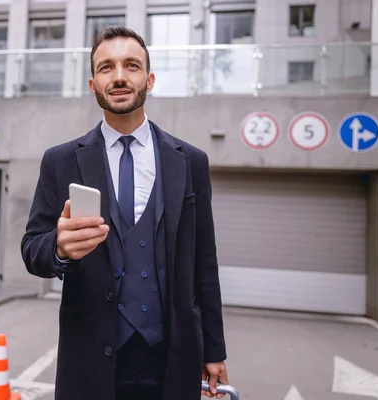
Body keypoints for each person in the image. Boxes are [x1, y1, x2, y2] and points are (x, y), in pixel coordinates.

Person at [21, 26, 229, 400]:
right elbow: (32, 249)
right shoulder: (61, 160)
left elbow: (205, 263)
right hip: (90, 356)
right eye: (106, 68)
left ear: (148, 79)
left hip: (171, 357)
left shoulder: (191, 161)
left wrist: (214, 349)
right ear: (92, 84)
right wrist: (59, 248)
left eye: (131, 66)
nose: (119, 76)